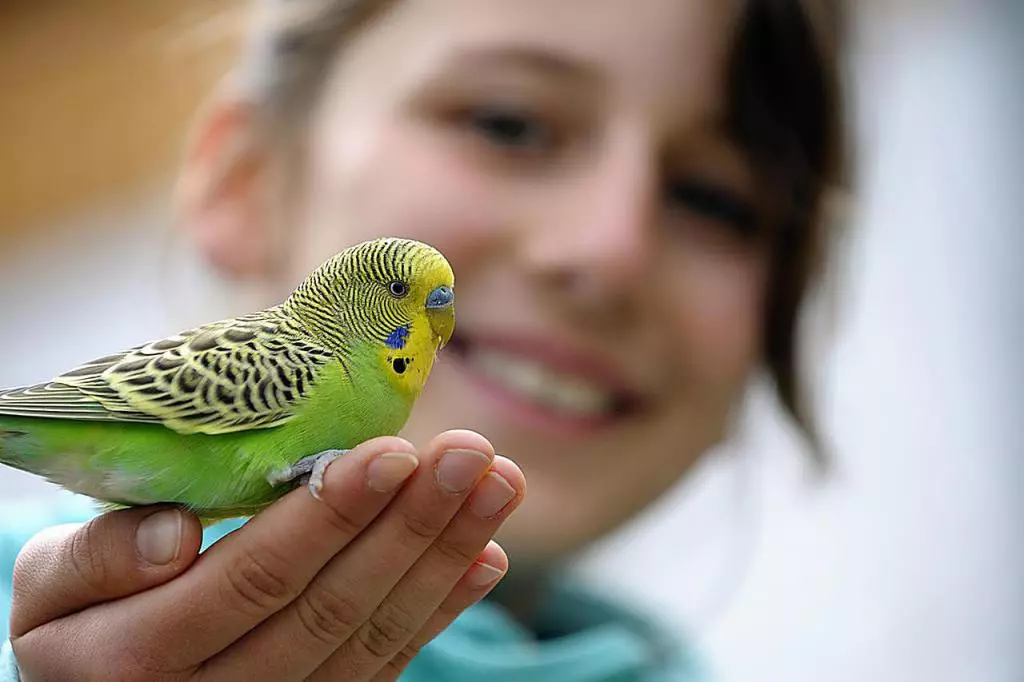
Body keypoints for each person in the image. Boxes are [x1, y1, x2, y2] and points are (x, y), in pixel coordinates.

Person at [0, 0, 849, 679]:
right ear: (245, 182)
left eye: (715, 200)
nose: (608, 250)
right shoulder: (303, 366)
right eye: (508, 123)